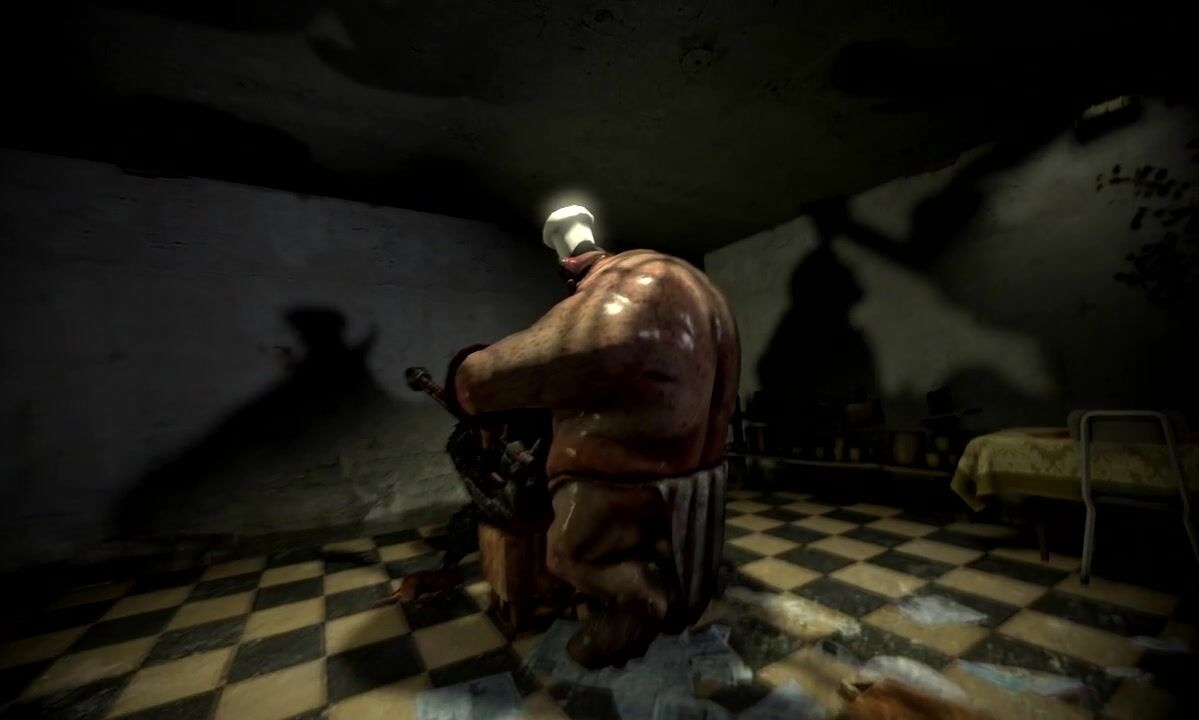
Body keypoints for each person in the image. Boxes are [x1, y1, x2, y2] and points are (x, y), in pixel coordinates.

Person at [444, 205, 740, 668]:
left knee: (566, 554)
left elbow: (483, 380)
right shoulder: (702, 287)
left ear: (569, 267)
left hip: (619, 483)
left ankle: (640, 606)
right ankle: (678, 588)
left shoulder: (613, 297)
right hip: (701, 470)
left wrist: (466, 375)